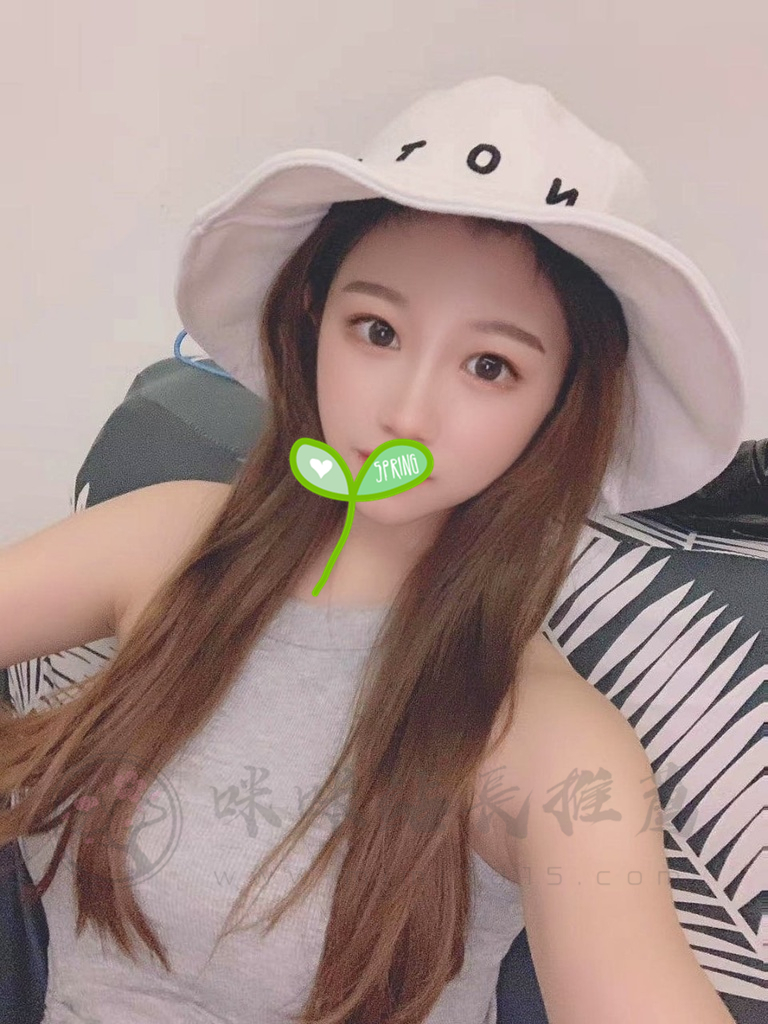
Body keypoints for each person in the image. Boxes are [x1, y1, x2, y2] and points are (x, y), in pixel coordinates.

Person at [0, 76, 744, 1023]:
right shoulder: (174, 539)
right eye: (378, 330)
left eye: (490, 366)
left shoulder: (541, 738)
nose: (407, 411)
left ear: (559, 407)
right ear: (314, 320)